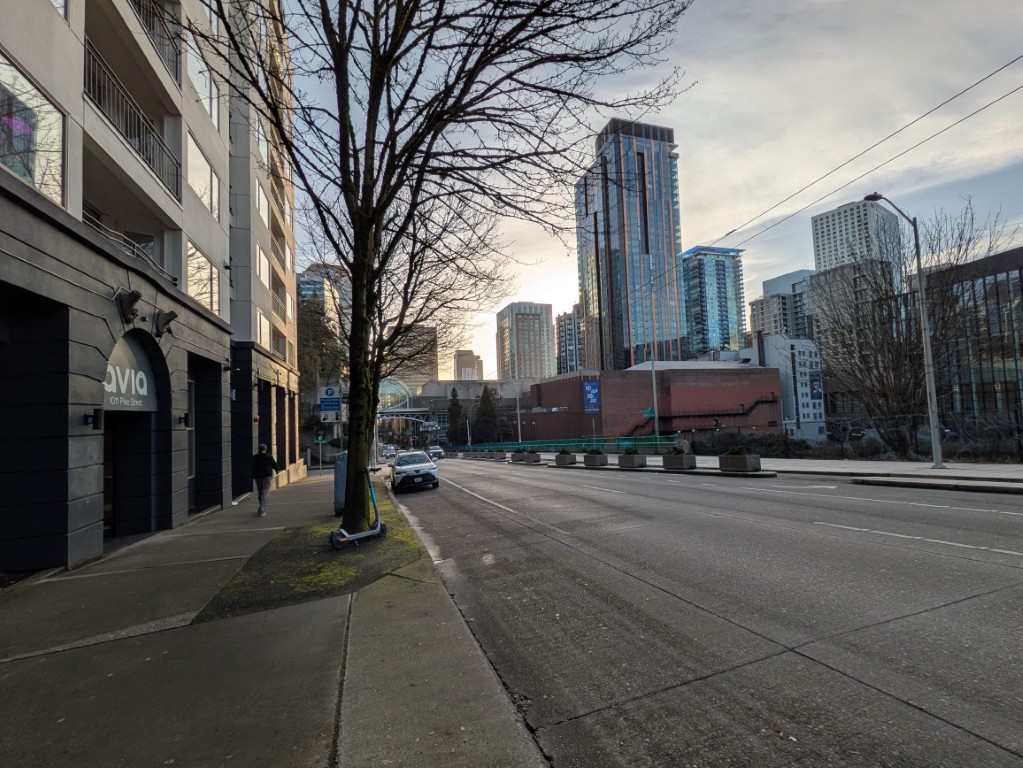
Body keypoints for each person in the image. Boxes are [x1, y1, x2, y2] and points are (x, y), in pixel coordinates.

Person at [252, 444, 279, 517]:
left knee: (260, 492)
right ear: (266, 449)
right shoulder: (269, 457)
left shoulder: (255, 457)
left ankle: (260, 508)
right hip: (266, 476)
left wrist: (252, 475)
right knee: (265, 492)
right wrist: (277, 471)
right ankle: (261, 511)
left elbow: (252, 466)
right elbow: (274, 465)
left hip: (258, 477)